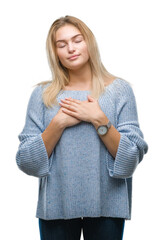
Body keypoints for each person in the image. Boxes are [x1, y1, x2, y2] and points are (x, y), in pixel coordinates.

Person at [15, 15, 148, 240]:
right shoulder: (43, 95)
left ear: (89, 42)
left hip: (108, 207)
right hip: (56, 208)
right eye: (62, 44)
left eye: (77, 40)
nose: (71, 49)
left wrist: (99, 120)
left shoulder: (119, 91)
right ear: (54, 52)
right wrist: (57, 124)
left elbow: (131, 159)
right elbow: (26, 161)